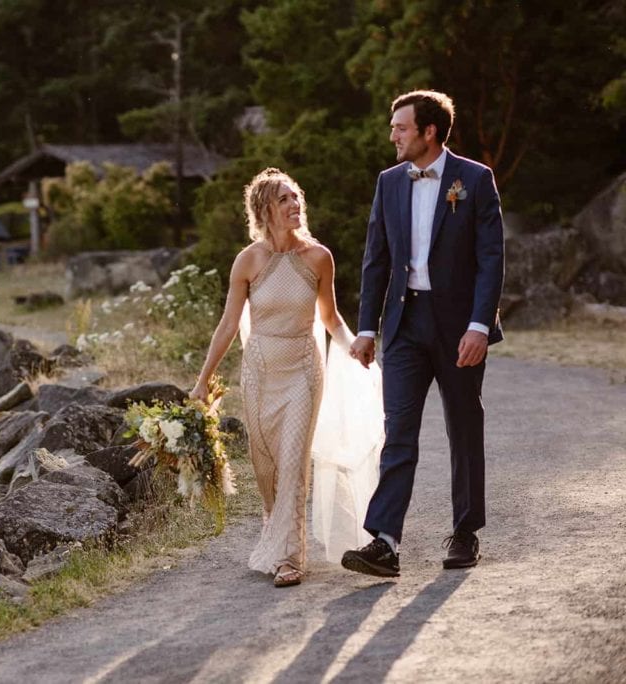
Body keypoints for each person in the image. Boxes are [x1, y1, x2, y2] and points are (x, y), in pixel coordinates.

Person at [342, 90, 505, 578]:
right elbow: (377, 260)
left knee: (463, 426)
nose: (392, 134)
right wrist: (367, 328)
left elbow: (491, 259)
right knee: (399, 432)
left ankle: (465, 531)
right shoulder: (389, 182)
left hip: (459, 326)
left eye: (400, 127)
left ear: (428, 131)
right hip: (405, 325)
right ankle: (385, 542)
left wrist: (480, 325)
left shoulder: (475, 180)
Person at [190, 168, 357, 588]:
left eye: (296, 197)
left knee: (294, 460)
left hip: (303, 366)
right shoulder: (248, 261)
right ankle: (275, 522)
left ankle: (289, 557)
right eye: (284, 199)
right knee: (265, 466)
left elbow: (330, 318)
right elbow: (229, 325)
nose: (294, 205)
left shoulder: (319, 257)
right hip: (261, 370)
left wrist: (354, 347)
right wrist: (202, 379)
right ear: (265, 209)